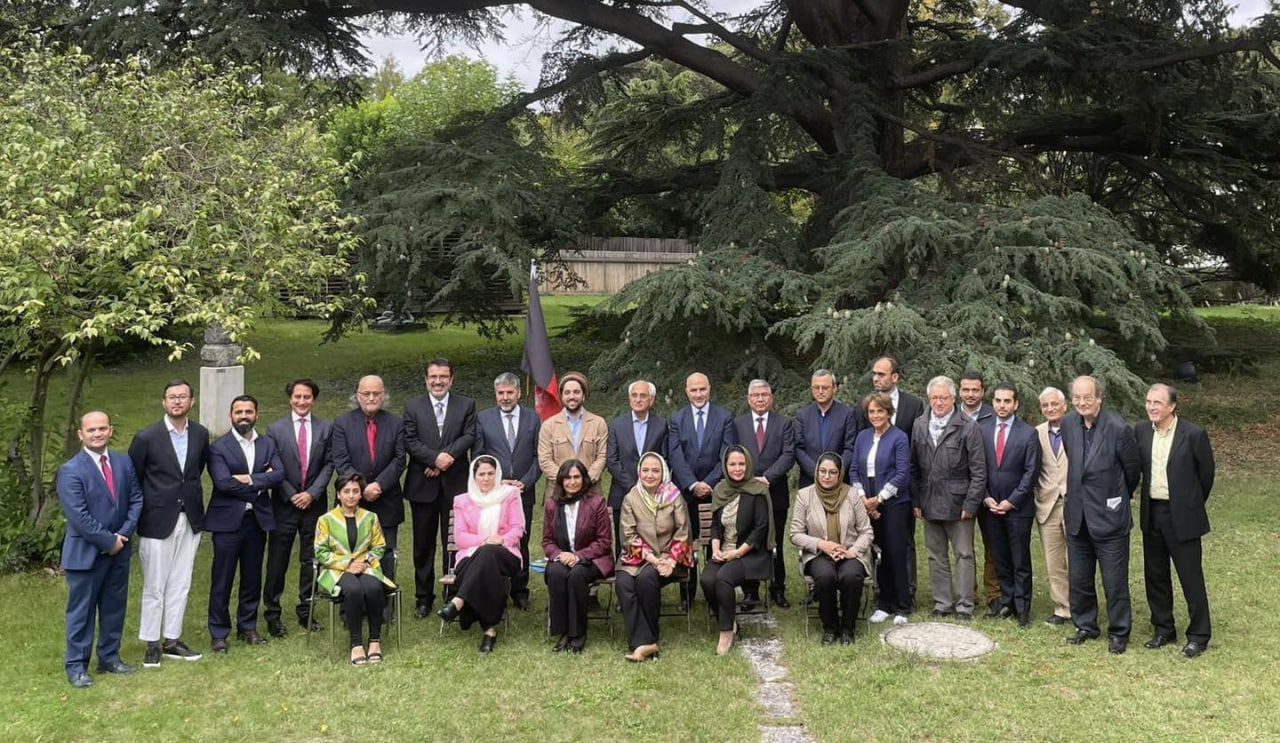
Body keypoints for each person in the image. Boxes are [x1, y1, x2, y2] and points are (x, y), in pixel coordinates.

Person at [59, 412, 143, 688]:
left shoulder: (123, 462)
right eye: (91, 430)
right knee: (82, 613)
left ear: (110, 431)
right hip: (86, 555)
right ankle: (76, 667)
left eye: (102, 428)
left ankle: (109, 658)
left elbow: (136, 499)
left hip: (120, 550)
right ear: (80, 435)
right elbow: (79, 516)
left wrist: (123, 535)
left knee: (114, 608)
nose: (97, 433)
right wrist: (109, 541)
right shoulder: (71, 470)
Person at [128, 380, 209, 667]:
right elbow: (134, 479)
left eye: (182, 396)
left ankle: (172, 640)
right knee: (155, 584)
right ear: (164, 402)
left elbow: (195, 471)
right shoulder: (146, 438)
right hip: (157, 520)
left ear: (192, 401)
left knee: (181, 582)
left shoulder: (200, 434)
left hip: (190, 517)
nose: (177, 401)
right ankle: (152, 643)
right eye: (172, 397)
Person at [1061, 375, 1141, 654]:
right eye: (1077, 397)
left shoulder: (1118, 428)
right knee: (1080, 579)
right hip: (1077, 516)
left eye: (1087, 397)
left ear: (1099, 398)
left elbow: (1132, 472)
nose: (1082, 402)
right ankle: (1085, 625)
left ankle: (1119, 632)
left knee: (1114, 582)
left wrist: (1115, 498)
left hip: (1109, 517)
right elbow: (1075, 463)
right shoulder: (1068, 424)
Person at [1136, 383, 1216, 658]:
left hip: (1182, 516)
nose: (1151, 407)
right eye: (1148, 402)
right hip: (1152, 513)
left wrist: (1189, 504)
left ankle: (1199, 635)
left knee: (1190, 577)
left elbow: (1206, 475)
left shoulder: (1193, 434)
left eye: (1157, 402)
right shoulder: (1141, 431)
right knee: (1155, 575)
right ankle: (1163, 629)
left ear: (1172, 406)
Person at [206, 395, 284, 652]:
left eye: (248, 412)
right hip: (227, 523)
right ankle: (219, 632)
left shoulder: (268, 444)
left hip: (257, 521)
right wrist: (261, 480)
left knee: (252, 577)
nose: (243, 416)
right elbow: (223, 483)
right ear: (231, 416)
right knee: (222, 578)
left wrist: (248, 479)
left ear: (256, 415)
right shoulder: (218, 447)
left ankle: (247, 627)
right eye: (238, 412)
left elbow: (279, 475)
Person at [403, 358, 477, 618]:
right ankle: (423, 598)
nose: (438, 381)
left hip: (455, 485)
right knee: (423, 545)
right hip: (422, 485)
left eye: (443, 376)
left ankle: (452, 594)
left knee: (454, 543)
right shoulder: (412, 407)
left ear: (451, 379)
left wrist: (446, 459)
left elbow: (469, 436)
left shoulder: (466, 405)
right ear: (426, 380)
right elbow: (410, 440)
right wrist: (435, 459)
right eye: (433, 377)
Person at [910, 376, 986, 620]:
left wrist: (971, 504)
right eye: (934, 398)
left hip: (959, 504)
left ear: (953, 398)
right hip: (929, 501)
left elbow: (979, 471)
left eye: (944, 398)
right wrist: (916, 501)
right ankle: (942, 603)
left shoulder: (968, 426)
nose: (939, 403)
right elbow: (913, 467)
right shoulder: (919, 425)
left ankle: (965, 605)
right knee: (936, 555)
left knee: (964, 555)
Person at [330, 375, 406, 613]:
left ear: (384, 395)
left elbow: (399, 459)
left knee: (385, 554)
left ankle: (384, 607)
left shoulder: (396, 423)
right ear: (358, 395)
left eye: (376, 393)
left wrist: (379, 485)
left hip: (386, 500)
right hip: (352, 502)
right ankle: (351, 607)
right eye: (366, 393)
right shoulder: (342, 423)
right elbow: (341, 460)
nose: (371, 398)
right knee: (350, 553)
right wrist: (362, 489)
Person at [264, 378, 334, 638]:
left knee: (312, 559)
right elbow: (273, 465)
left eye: (307, 397)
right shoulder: (275, 429)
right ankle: (272, 614)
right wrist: (292, 494)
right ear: (290, 399)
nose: (302, 401)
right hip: (284, 504)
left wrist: (312, 493)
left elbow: (329, 464)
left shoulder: (326, 428)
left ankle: (307, 610)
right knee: (277, 560)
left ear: (314, 399)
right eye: (297, 397)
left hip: (314, 505)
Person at [436, 456, 524, 653]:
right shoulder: (461, 500)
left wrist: (501, 540)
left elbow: (517, 528)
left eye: (490, 473)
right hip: (470, 556)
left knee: (489, 553)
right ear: (473, 476)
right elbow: (460, 537)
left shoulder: (509, 495)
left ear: (497, 474)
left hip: (505, 553)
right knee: (486, 560)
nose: (486, 478)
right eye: (481, 474)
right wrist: (486, 541)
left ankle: (458, 601)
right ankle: (489, 630)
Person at [474, 372, 543, 611]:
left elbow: (539, 457)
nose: (505, 397)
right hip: (494, 494)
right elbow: (479, 456)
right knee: (495, 540)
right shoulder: (483, 419)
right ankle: (496, 588)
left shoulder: (533, 419)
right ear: (496, 394)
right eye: (501, 393)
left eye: (509, 392)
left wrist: (525, 482)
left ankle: (520, 590)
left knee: (520, 540)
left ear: (518, 393)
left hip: (523, 493)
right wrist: (497, 483)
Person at [667, 371, 737, 607]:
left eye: (702, 389)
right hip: (686, 493)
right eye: (694, 390)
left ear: (709, 389)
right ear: (687, 392)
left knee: (715, 539)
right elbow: (675, 455)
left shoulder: (724, 417)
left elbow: (727, 453)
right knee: (687, 541)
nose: (698, 394)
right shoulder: (677, 419)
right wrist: (693, 484)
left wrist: (709, 482)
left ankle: (714, 590)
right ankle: (687, 593)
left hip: (716, 491)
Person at [616, 452, 692, 662]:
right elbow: (628, 536)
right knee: (623, 583)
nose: (650, 475)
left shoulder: (674, 496)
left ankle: (646, 640)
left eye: (655, 471)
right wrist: (653, 559)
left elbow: (683, 532)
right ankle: (646, 643)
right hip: (637, 557)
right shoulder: (631, 497)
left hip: (669, 558)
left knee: (646, 579)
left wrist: (670, 561)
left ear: (663, 473)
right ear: (639, 472)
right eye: (646, 470)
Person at [791, 452, 874, 644]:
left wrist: (853, 551)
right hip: (819, 554)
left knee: (851, 577)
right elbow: (795, 533)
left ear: (840, 474)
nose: (826, 476)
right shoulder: (805, 495)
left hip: (849, 552)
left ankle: (847, 629)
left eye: (832, 472)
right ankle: (830, 628)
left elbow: (866, 531)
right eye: (823, 471)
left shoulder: (852, 495)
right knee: (825, 577)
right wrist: (821, 544)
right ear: (817, 472)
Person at [314, 472, 396, 666]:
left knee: (374, 588)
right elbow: (320, 551)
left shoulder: (370, 517)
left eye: (355, 491)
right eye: (346, 491)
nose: (351, 495)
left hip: (365, 566)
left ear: (361, 494)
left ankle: (375, 641)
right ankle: (356, 643)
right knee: (353, 589)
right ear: (338, 494)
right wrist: (347, 564)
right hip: (336, 570)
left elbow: (379, 546)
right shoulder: (325, 520)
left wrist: (365, 562)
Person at [863, 356, 925, 608]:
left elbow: (917, 447)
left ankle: (906, 593)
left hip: (902, 489)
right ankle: (882, 594)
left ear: (895, 377)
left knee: (903, 542)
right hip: (871, 492)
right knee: (877, 543)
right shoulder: (867, 406)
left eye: (881, 374)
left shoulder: (914, 405)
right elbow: (862, 449)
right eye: (874, 374)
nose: (876, 378)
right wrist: (867, 497)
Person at [976, 383, 1041, 627]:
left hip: (1018, 508)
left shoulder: (1028, 433)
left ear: (1016, 404)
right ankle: (1006, 602)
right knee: (1000, 557)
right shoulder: (982, 429)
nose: (1002, 405)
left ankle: (1023, 608)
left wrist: (1012, 501)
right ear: (992, 402)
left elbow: (1031, 472)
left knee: (1020, 559)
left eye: (1007, 401)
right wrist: (985, 497)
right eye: (998, 401)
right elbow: (977, 467)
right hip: (991, 506)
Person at [849, 392, 911, 625]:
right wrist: (864, 499)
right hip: (867, 503)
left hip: (894, 504)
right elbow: (854, 470)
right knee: (878, 553)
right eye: (871, 412)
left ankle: (902, 606)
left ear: (888, 413)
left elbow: (902, 473)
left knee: (895, 552)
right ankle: (884, 603)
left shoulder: (899, 437)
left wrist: (880, 499)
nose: (875, 415)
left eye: (880, 411)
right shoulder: (863, 436)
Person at [703, 446, 773, 654]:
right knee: (707, 580)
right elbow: (715, 525)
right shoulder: (720, 489)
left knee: (723, 577)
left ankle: (725, 633)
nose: (737, 468)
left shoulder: (758, 490)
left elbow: (760, 529)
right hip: (724, 550)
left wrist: (737, 553)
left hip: (750, 553)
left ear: (748, 464)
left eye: (742, 464)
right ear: (725, 466)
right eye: (732, 464)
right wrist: (716, 548)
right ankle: (730, 622)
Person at [733, 379, 796, 608]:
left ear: (771, 398)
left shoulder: (784, 423)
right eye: (756, 395)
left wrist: (767, 478)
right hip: (746, 493)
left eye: (764, 395)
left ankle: (778, 588)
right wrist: (750, 480)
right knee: (749, 539)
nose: (760, 399)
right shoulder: (738, 424)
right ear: (749, 399)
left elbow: (788, 454)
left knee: (775, 541)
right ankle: (751, 592)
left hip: (775, 492)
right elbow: (733, 454)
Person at [542, 459, 614, 653]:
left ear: (584, 479)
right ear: (561, 480)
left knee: (576, 575)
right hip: (562, 558)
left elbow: (604, 541)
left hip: (593, 558)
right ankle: (563, 631)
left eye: (576, 477)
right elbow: (547, 541)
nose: (572, 482)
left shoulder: (596, 502)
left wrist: (577, 556)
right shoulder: (552, 504)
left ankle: (578, 633)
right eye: (567, 478)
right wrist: (560, 555)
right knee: (556, 573)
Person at [606, 379, 668, 549]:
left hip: (653, 496)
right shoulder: (617, 425)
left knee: (653, 544)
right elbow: (612, 460)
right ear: (629, 399)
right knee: (624, 546)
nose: (638, 399)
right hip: (622, 493)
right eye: (634, 395)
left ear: (651, 400)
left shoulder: (661, 425)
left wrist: (648, 486)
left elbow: (665, 459)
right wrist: (634, 487)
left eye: (643, 396)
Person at [958, 370, 1000, 611]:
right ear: (959, 390)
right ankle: (968, 592)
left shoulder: (993, 415)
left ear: (983, 391)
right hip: (960, 491)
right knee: (964, 546)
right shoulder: (952, 414)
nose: (970, 394)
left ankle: (994, 593)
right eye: (966, 389)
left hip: (988, 490)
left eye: (975, 390)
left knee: (991, 545)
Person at [1033, 387, 1072, 626]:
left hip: (1074, 503)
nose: (1050, 408)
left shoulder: (1077, 429)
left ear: (1064, 406)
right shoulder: (1036, 433)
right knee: (1053, 560)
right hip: (1047, 504)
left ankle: (1081, 605)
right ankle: (1062, 607)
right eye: (1045, 405)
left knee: (1076, 558)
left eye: (1054, 404)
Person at [538, 371, 608, 502]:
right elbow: (545, 460)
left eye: (576, 392)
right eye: (567, 392)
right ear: (561, 396)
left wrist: (584, 481)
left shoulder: (598, 423)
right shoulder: (548, 426)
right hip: (558, 494)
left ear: (583, 395)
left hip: (591, 492)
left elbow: (602, 457)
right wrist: (567, 481)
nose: (571, 396)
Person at [793, 370, 859, 489]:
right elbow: (798, 448)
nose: (820, 391)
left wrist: (834, 472)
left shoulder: (847, 414)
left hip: (839, 483)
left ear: (834, 388)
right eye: (816, 387)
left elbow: (850, 448)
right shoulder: (802, 415)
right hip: (810, 482)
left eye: (825, 387)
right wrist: (817, 473)